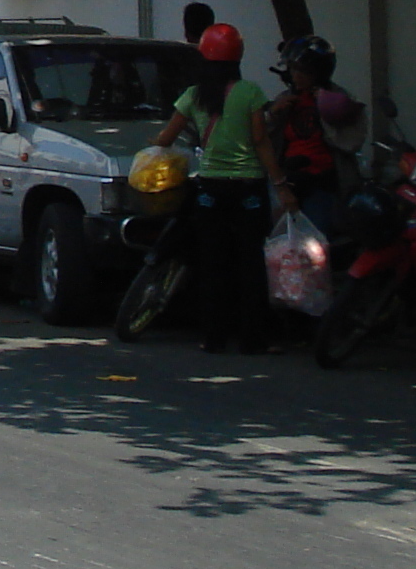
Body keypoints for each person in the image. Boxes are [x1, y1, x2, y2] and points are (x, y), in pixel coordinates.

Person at [150, 22, 291, 353]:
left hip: (210, 190)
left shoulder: (193, 95)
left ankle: (213, 337)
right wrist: (280, 183)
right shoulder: (251, 92)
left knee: (213, 264)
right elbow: (261, 141)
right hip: (248, 190)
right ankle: (253, 340)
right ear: (238, 58)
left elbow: (167, 138)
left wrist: (153, 142)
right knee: (250, 264)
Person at [267, 36, 363, 243]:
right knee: (280, 243)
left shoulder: (338, 99)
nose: (296, 76)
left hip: (321, 183)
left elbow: (352, 141)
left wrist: (327, 109)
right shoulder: (285, 99)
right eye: (293, 69)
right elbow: (263, 141)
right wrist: (273, 115)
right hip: (287, 182)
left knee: (315, 242)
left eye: (302, 71)